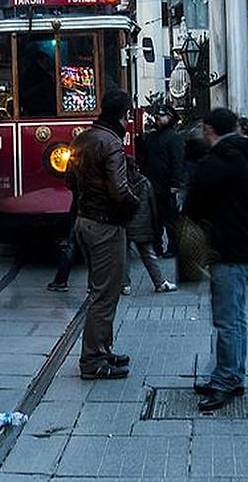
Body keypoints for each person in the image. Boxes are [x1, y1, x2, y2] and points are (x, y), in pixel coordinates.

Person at [184, 108, 248, 412]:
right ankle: (232, 374)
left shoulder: (220, 160)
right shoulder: (239, 153)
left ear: (208, 128)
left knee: (226, 318)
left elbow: (194, 203)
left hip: (227, 248)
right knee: (236, 316)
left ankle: (226, 379)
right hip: (240, 246)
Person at [66, 88, 138, 380]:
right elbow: (119, 190)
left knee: (100, 290)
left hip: (84, 220)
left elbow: (69, 178)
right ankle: (93, 360)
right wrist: (136, 203)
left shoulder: (84, 138)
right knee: (105, 294)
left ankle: (103, 349)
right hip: (106, 224)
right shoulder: (112, 143)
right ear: (123, 115)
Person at [123, 157, 177, 295]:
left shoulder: (121, 184)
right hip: (143, 225)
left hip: (125, 224)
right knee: (148, 254)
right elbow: (153, 205)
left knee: (124, 255)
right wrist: (155, 226)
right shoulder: (144, 183)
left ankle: (124, 285)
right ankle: (159, 282)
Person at [139, 105, 185, 258]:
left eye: (162, 116)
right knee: (154, 219)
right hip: (152, 183)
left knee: (170, 219)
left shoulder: (174, 137)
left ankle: (173, 247)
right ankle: (157, 247)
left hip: (166, 185)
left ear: (170, 118)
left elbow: (177, 162)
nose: (159, 118)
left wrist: (175, 184)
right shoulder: (151, 137)